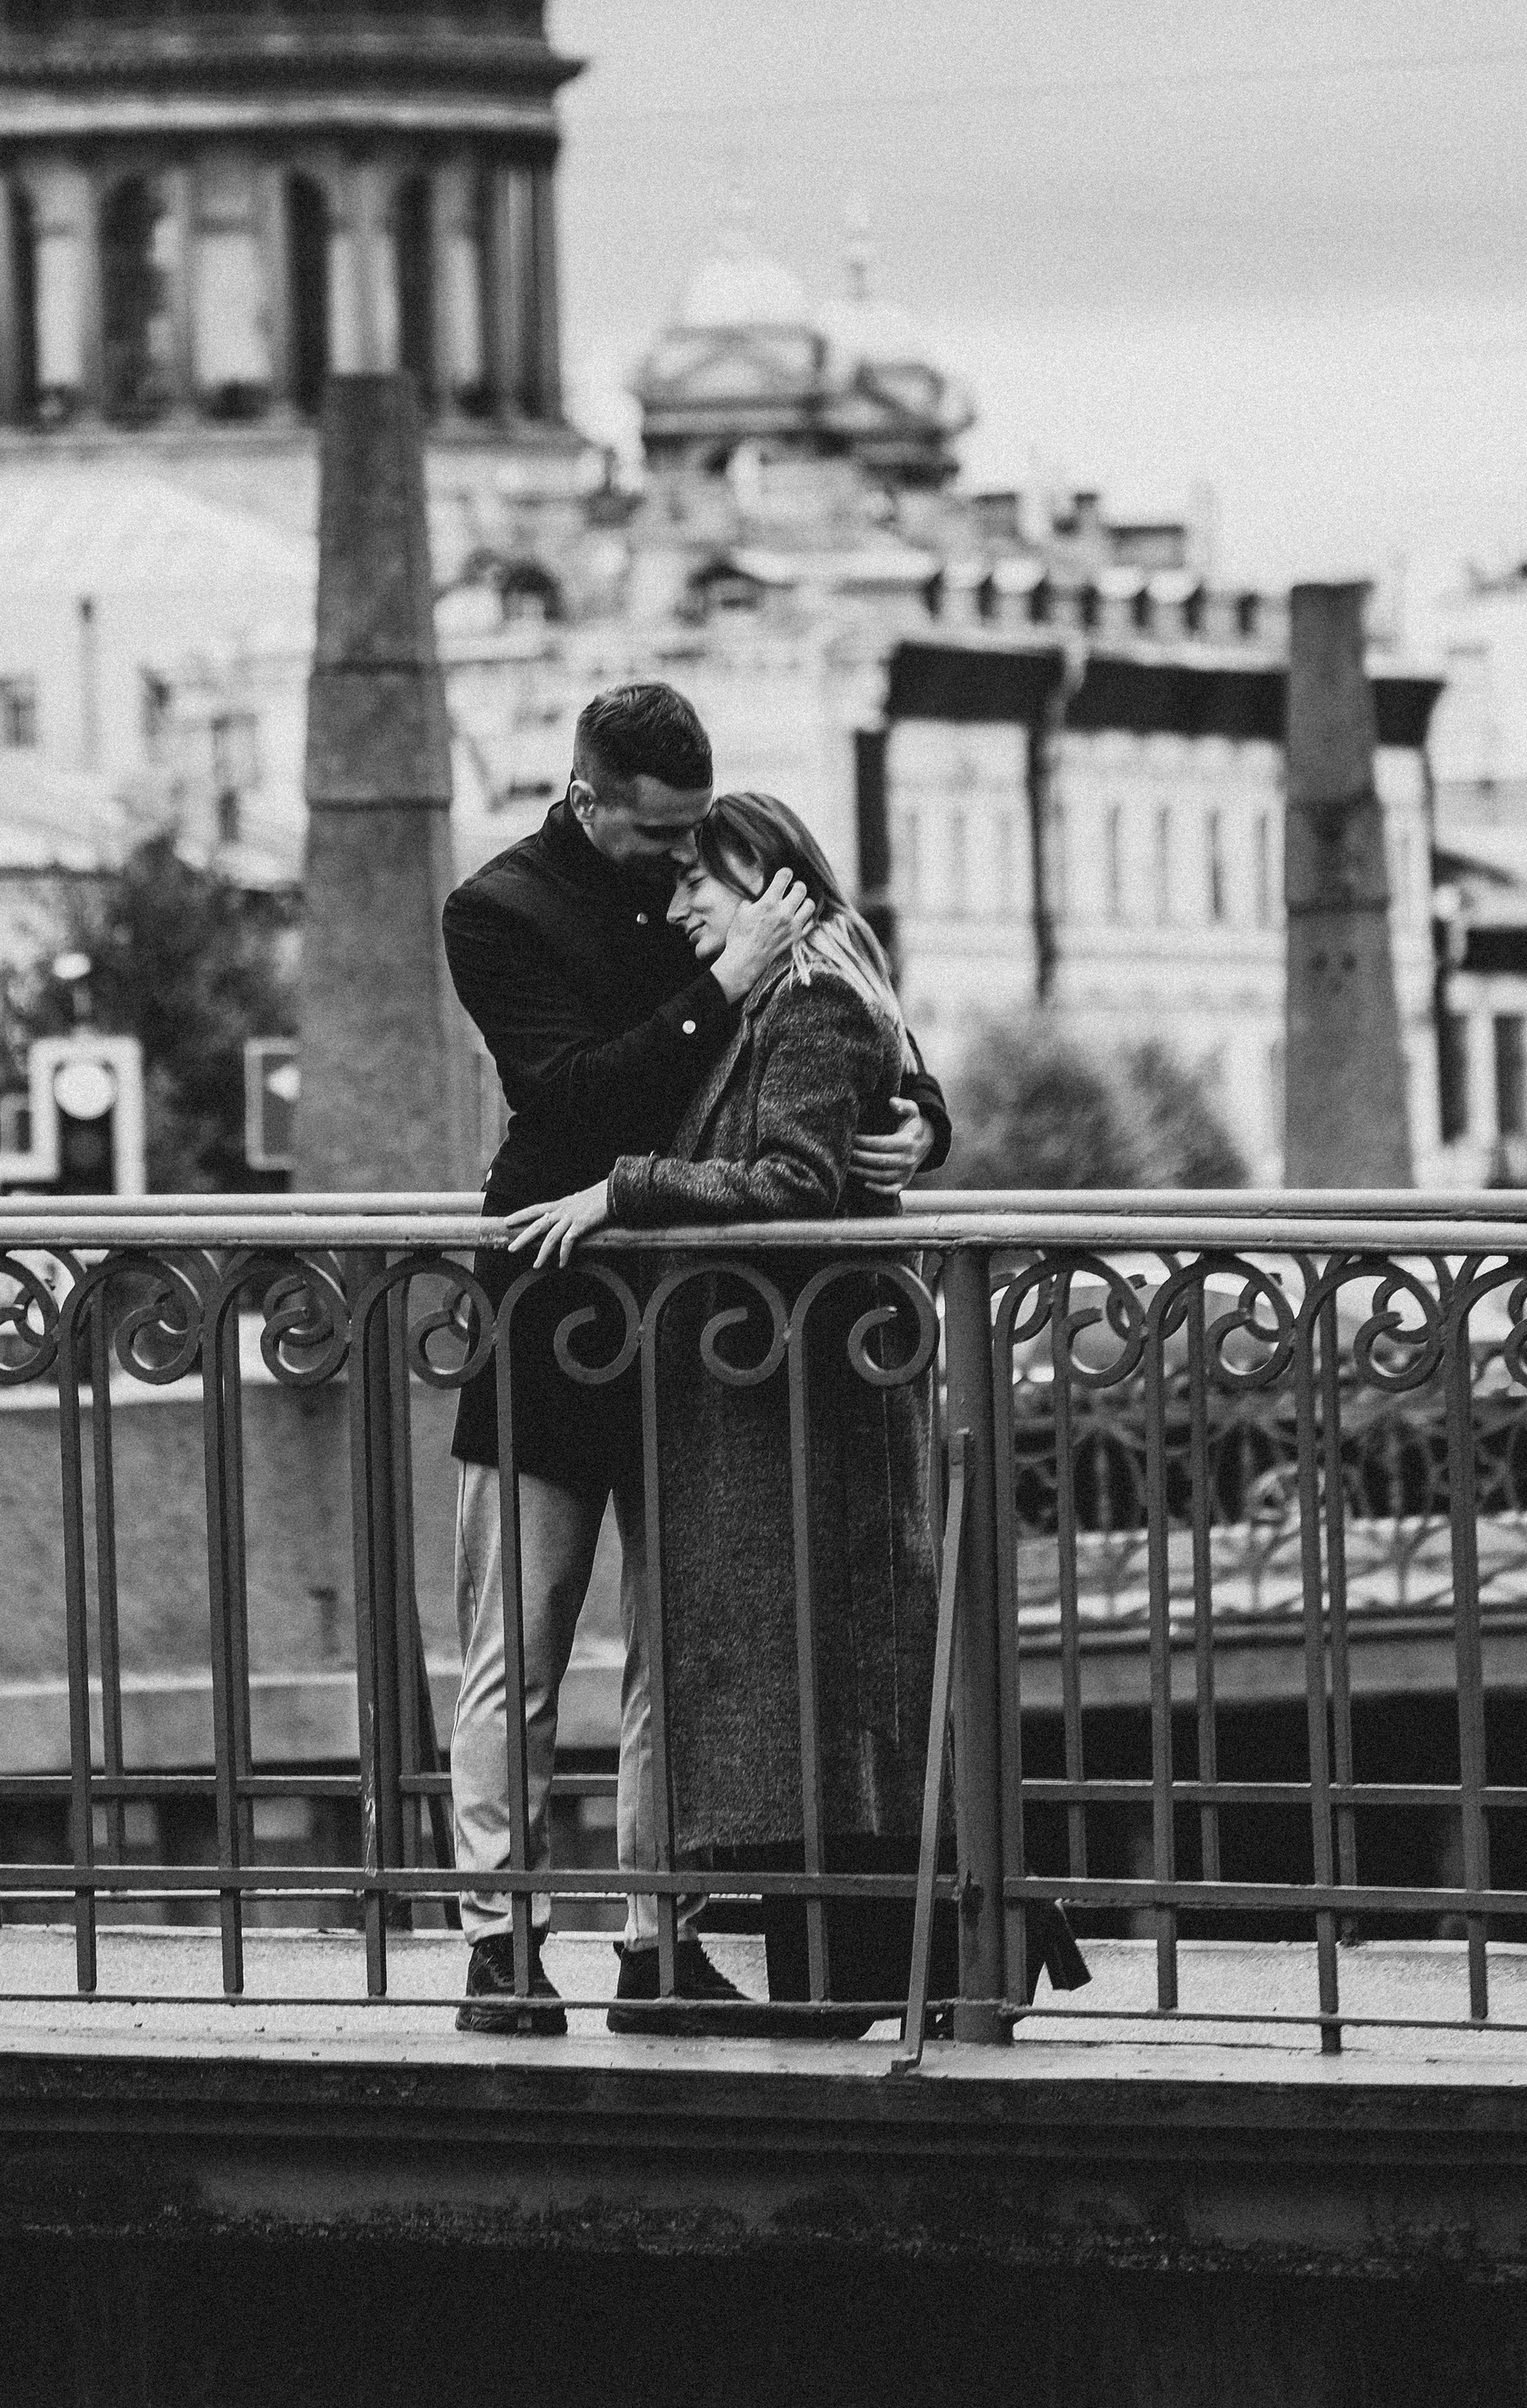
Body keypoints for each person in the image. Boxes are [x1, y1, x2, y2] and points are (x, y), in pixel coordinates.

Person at [509, 794, 1098, 2025]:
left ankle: (912, 1959)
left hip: (808, 1397)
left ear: (775, 888)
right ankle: (901, 1960)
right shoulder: (767, 993)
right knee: (816, 1688)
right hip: (766, 1390)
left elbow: (790, 1176)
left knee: (832, 1684)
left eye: (700, 888)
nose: (677, 909)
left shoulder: (815, 996)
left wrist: (622, 1194)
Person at [442, 689, 950, 2034]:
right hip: (553, 1307)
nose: (679, 867)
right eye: (656, 835)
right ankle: (501, 1942)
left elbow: (838, 1022)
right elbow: (573, 1095)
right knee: (525, 1648)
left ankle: (657, 1938)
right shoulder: (496, 911)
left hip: (700, 1338)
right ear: (587, 795)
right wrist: (716, 985)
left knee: (684, 1656)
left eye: (692, 842)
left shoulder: (723, 889)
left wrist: (917, 1127)